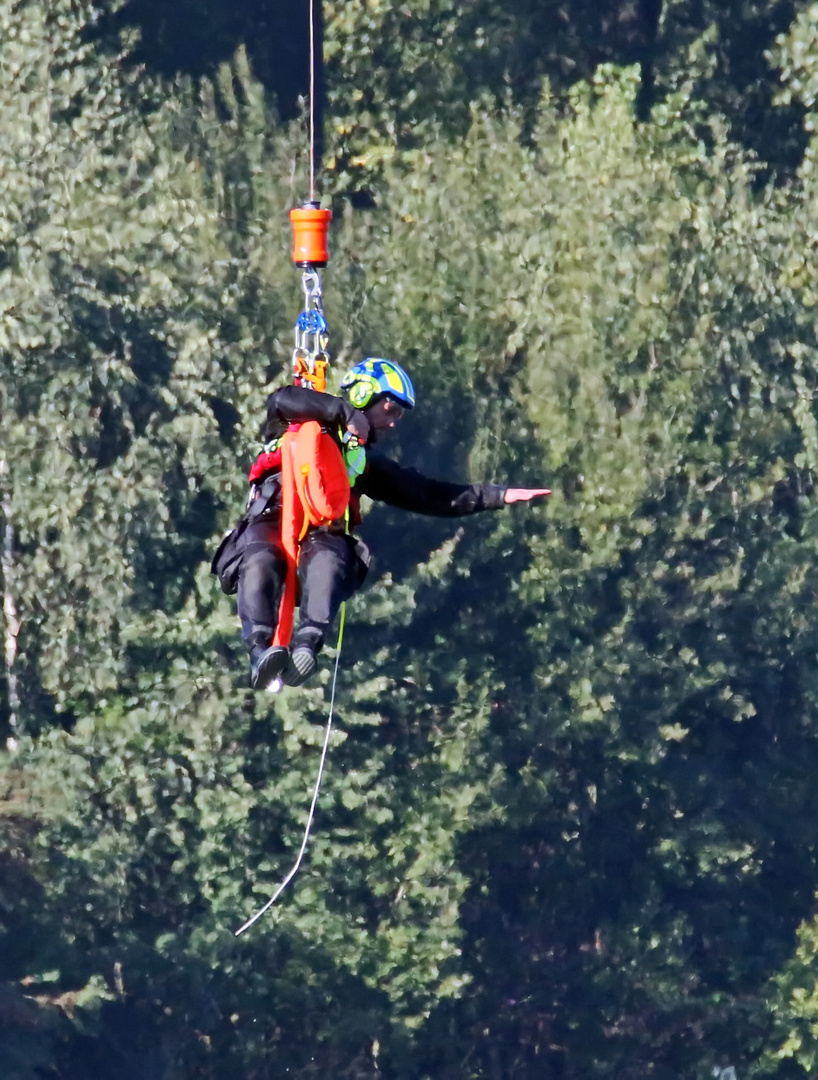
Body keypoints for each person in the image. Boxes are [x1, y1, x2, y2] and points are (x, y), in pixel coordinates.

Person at [235, 358, 550, 690]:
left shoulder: (364, 461)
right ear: (363, 394)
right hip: (271, 516)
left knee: (328, 560)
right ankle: (259, 651)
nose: (393, 422)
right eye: (390, 409)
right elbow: (280, 400)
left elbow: (430, 495)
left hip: (321, 532)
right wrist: (345, 414)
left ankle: (307, 644)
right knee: (259, 558)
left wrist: (497, 496)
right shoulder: (299, 415)